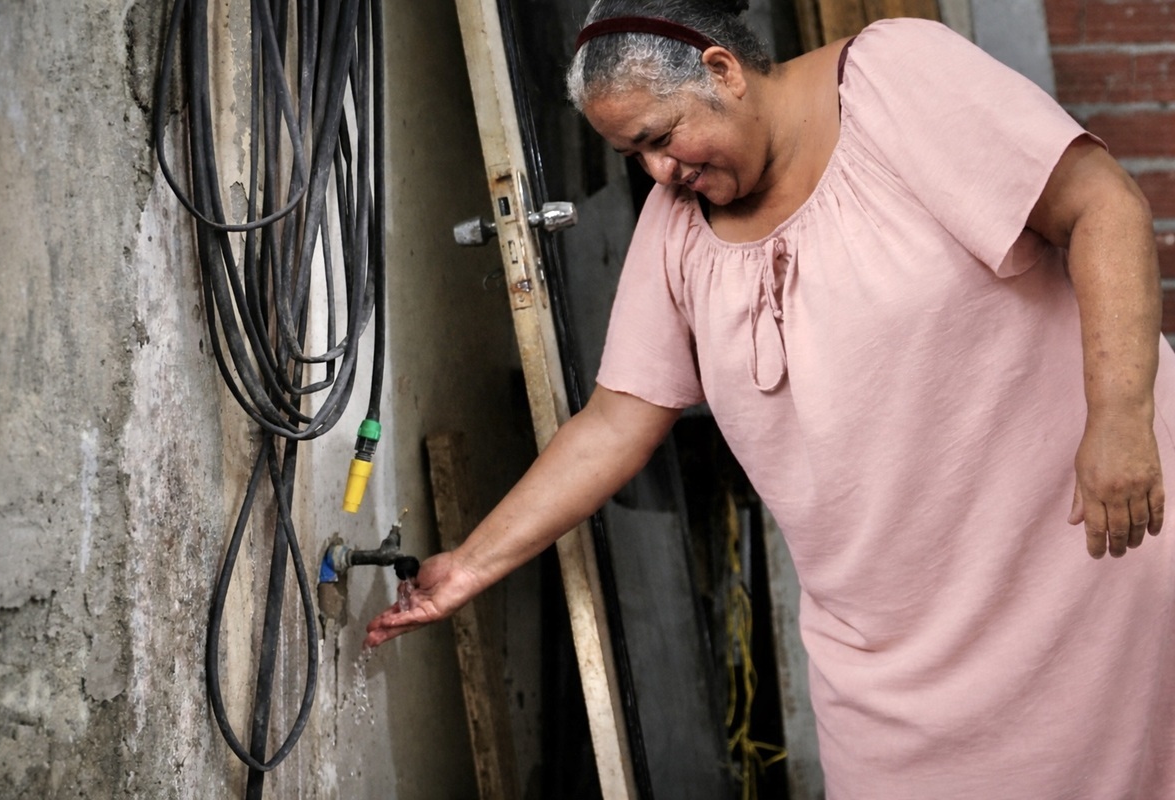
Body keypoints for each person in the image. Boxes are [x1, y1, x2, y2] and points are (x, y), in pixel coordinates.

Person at [368, 1, 1175, 796]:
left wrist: (1120, 419)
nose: (657, 172)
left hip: (1085, 556)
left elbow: (1100, 204)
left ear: (722, 71)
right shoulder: (676, 227)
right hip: (888, 656)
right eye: (633, 155)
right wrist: (468, 567)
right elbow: (614, 423)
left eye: (660, 137)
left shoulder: (896, 81)